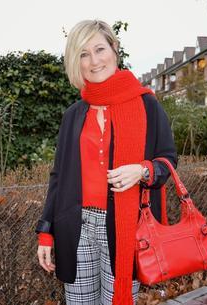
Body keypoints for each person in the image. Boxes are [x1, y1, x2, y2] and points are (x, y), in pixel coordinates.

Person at [36, 20, 177, 305]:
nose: (94, 60)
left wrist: (142, 170)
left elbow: (168, 161)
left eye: (100, 49)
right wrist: (45, 233)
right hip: (75, 226)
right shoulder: (73, 114)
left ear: (114, 49)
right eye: (84, 54)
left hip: (125, 227)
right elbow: (58, 177)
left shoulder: (148, 105)